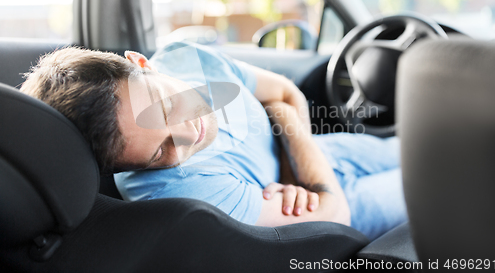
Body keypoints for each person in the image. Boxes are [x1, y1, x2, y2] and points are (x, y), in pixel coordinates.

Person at [21, 42, 407, 240]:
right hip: (342, 200)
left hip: (318, 162)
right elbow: (334, 218)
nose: (190, 134)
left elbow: (287, 94)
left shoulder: (187, 58)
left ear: (143, 64)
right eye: (159, 152)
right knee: (448, 185)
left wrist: (298, 177)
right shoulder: (176, 191)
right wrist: (288, 129)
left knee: (428, 149)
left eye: (167, 107)